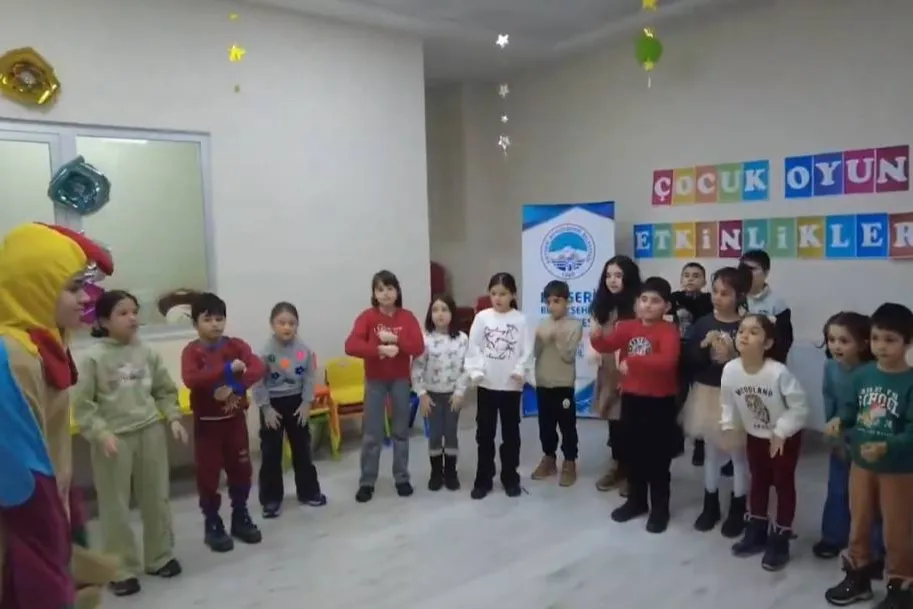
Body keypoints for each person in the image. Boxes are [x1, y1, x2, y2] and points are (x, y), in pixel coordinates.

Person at [0, 222, 118, 609]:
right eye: (73, 288)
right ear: (36, 287)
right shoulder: (14, 357)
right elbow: (21, 478)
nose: (85, 298)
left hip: (49, 507)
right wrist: (53, 543)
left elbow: (51, 444)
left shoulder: (45, 342)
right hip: (24, 524)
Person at [73, 290, 188, 596]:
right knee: (115, 506)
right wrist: (100, 433)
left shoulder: (147, 352)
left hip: (150, 431)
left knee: (157, 498)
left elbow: (164, 390)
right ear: (103, 321)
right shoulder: (94, 358)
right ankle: (119, 568)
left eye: (135, 311)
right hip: (114, 439)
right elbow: (83, 405)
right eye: (123, 313)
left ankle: (159, 556)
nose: (132, 318)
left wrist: (173, 417)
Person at [824, 303, 913, 609]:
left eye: (890, 340)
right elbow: (851, 408)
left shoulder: (910, 382)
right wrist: (840, 420)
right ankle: (858, 577)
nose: (881, 346)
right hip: (861, 465)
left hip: (899, 471)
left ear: (908, 342)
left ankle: (901, 587)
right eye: (876, 338)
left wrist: (888, 447)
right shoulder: (863, 375)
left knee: (897, 530)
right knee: (859, 522)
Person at [590, 276, 681, 533]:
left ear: (666, 306)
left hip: (659, 402)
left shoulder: (668, 331)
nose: (648, 305)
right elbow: (608, 345)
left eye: (655, 301)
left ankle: (660, 508)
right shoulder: (628, 327)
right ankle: (636, 501)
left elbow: (667, 362)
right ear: (637, 302)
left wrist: (634, 361)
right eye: (644, 299)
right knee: (633, 453)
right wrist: (597, 339)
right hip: (631, 398)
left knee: (658, 459)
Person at [722, 314, 808, 571]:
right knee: (757, 481)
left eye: (753, 332)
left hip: (783, 438)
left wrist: (781, 431)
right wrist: (728, 426)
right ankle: (757, 529)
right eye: (741, 330)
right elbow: (728, 403)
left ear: (768, 343)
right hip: (755, 436)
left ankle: (781, 537)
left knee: (782, 484)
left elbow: (799, 407)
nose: (744, 336)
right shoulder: (731, 369)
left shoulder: (778, 373)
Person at [181, 292, 266, 552]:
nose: (215, 324)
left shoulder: (236, 346)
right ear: (195, 323)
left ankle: (240, 516)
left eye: (219, 319)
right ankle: (212, 522)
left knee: (241, 470)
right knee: (208, 475)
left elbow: (258, 367)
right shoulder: (192, 352)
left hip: (235, 422)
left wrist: (236, 385)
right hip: (207, 425)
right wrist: (227, 370)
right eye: (208, 319)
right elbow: (192, 379)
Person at [345, 270, 424, 503]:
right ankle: (367, 481)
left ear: (397, 291)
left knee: (400, 431)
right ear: (374, 294)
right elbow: (351, 345)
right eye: (380, 289)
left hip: (400, 380)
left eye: (390, 288)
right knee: (372, 432)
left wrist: (397, 340)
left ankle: (402, 477)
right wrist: (378, 349)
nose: (386, 293)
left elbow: (418, 347)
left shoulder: (406, 317)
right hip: (375, 381)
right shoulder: (367, 317)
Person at [683, 267, 749, 538]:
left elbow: (756, 363)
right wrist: (702, 348)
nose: (718, 298)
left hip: (737, 397)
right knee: (711, 454)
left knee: (738, 456)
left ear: (739, 295)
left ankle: (738, 508)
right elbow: (689, 358)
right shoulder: (703, 323)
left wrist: (734, 353)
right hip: (708, 394)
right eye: (715, 292)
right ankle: (710, 505)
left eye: (725, 293)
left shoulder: (747, 325)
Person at [813, 312, 883, 567]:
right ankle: (833, 537)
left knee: (870, 497)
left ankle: (875, 548)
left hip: (869, 442)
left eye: (844, 341)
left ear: (863, 344)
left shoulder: (875, 372)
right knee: (838, 489)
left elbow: (875, 411)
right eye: (831, 339)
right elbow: (829, 399)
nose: (836, 346)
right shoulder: (830, 367)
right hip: (840, 440)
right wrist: (834, 434)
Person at [253, 301, 325, 520]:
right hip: (273, 404)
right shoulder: (265, 352)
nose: (286, 327)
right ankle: (271, 499)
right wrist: (266, 409)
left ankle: (308, 491)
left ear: (297, 325)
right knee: (271, 453)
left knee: (302, 449)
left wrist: (306, 403)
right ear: (272, 324)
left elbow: (310, 378)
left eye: (291, 323)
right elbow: (257, 381)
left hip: (297, 403)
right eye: (281, 323)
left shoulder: (304, 350)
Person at [465, 272, 533, 500]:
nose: (497, 298)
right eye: (493, 293)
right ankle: (483, 479)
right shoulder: (482, 318)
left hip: (511, 386)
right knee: (485, 434)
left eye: (503, 294)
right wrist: (476, 371)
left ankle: (510, 477)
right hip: (487, 385)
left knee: (510, 434)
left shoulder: (521, 320)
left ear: (513, 295)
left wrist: (520, 370)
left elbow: (527, 350)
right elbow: (473, 347)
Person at [588, 255, 642, 496]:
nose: (612, 280)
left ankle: (634, 472)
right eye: (608, 275)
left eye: (618, 275)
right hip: (608, 371)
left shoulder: (638, 306)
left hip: (632, 371)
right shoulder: (601, 305)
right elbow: (595, 336)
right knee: (613, 422)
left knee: (631, 423)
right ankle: (618, 465)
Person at [410, 293, 470, 491]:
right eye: (435, 310)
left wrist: (460, 392)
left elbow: (467, 367)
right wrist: (422, 394)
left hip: (453, 396)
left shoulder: (462, 339)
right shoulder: (425, 340)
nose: (440, 314)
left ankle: (451, 472)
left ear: (452, 313)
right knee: (435, 434)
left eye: (444, 309)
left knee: (450, 433)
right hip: (432, 396)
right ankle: (436, 473)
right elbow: (416, 369)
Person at [531, 280, 583, 487]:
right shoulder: (543, 324)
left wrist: (557, 338)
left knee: (567, 424)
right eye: (549, 302)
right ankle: (549, 458)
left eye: (557, 301)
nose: (552, 306)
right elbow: (535, 353)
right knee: (546, 424)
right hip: (543, 382)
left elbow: (568, 356)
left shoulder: (574, 325)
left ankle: (569, 461)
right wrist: (540, 340)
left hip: (563, 384)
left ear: (567, 302)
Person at [670, 261, 714, 468]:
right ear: (681, 279)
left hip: (700, 357)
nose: (690, 279)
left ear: (704, 281)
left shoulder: (708, 301)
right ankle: (676, 441)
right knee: (677, 399)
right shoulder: (673, 299)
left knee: (700, 403)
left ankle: (700, 445)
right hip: (677, 357)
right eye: (686, 275)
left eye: (696, 276)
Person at [739, 250, 793, 363]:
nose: (746, 273)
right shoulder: (735, 298)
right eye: (743, 269)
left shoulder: (777, 304)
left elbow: (785, 343)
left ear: (766, 273)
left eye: (752, 269)